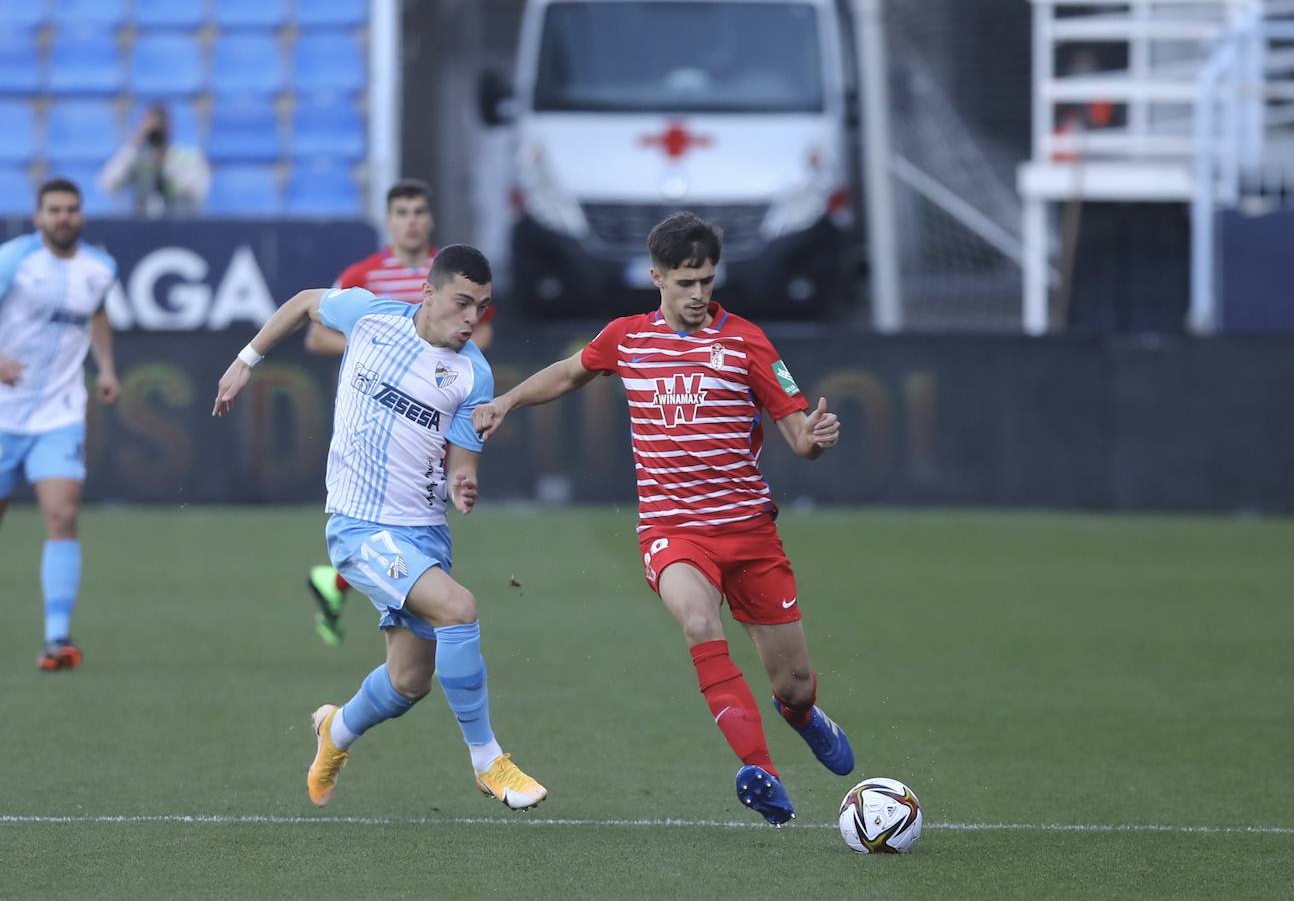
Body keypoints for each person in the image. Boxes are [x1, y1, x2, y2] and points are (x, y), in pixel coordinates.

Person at [471, 212, 851, 826]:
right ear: (657, 278)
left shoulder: (748, 342)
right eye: (685, 282)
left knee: (794, 685)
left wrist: (818, 437)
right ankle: (761, 770)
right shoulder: (626, 338)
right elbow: (570, 372)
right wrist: (507, 401)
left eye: (706, 280)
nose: (699, 294)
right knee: (698, 621)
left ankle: (805, 718)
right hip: (672, 531)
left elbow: (799, 437)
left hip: (750, 534)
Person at [211, 244, 545, 811]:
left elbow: (461, 465)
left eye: (482, 309)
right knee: (459, 608)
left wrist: (463, 485)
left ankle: (335, 732)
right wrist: (247, 358)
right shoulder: (369, 316)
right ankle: (488, 760)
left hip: (424, 532)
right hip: (360, 528)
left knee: (409, 681)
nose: (471, 319)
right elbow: (302, 304)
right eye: (462, 303)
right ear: (429, 293)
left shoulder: (474, 375)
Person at [304, 179, 497, 645]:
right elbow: (317, 334)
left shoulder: (457, 274)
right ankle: (343, 578)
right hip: (378, 412)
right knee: (384, 510)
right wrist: (379, 351)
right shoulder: (365, 276)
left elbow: (482, 335)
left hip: (440, 404)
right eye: (401, 212)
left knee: (418, 507)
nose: (411, 221)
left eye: (418, 212)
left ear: (430, 219)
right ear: (388, 221)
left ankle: (337, 583)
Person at [0, 178, 121, 671]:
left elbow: (98, 314)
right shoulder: (13, 259)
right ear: (38, 216)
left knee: (62, 517)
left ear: (80, 215)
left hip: (60, 414)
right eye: (54, 210)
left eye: (71, 209)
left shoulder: (99, 267)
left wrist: (105, 367)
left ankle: (56, 639)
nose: (63, 217)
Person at [99, 102, 210, 217]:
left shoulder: (188, 157)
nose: (158, 132)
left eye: (162, 125)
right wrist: (134, 145)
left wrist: (165, 164)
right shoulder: (136, 157)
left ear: (170, 128)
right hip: (141, 227)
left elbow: (198, 192)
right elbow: (108, 184)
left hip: (178, 226)